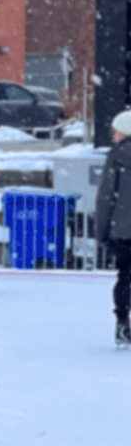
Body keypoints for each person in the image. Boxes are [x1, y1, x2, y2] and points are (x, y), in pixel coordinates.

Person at [94, 110, 131, 347]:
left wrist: (102, 232)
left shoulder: (117, 156)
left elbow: (106, 198)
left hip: (124, 230)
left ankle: (122, 324)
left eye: (115, 131)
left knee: (125, 277)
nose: (113, 135)